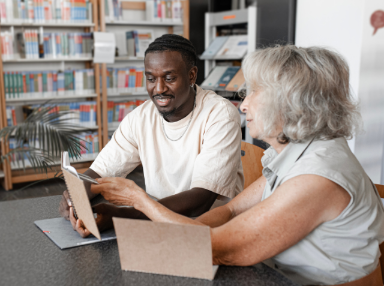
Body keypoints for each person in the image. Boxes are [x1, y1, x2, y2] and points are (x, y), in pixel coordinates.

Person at [78, 45, 384, 285]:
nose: (244, 104)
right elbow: (231, 211)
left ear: (292, 102)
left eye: (254, 92)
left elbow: (218, 248)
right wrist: (172, 235)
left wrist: (139, 201)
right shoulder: (295, 154)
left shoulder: (317, 178)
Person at [60, 34, 244, 233]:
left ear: (192, 75)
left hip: (210, 230)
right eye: (150, 79)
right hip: (155, 226)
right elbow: (98, 175)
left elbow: (201, 201)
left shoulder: (220, 115)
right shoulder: (139, 118)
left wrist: (125, 217)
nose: (159, 89)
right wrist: (75, 198)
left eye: (169, 78)